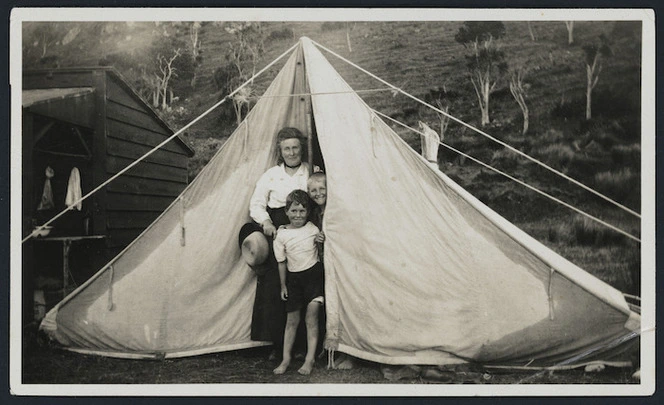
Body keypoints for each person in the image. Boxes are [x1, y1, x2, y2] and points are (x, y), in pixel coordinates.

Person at [245, 127, 311, 358]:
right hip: (277, 232)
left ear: (301, 148)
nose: (291, 153)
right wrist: (266, 223)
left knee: (302, 284)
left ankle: (302, 346)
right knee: (275, 286)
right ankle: (276, 345)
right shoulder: (271, 175)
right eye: (287, 148)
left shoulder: (310, 172)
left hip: (303, 230)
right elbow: (256, 204)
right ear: (280, 151)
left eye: (295, 147)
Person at [306, 172, 356, 370]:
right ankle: (334, 349)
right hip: (327, 264)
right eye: (313, 191)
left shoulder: (335, 210)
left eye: (321, 189)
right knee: (331, 307)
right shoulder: (317, 213)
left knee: (344, 306)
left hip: (342, 264)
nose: (318, 194)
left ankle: (350, 353)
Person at [272, 190, 324, 375]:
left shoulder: (312, 229)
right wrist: (284, 285)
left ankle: (309, 359)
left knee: (311, 319)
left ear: (308, 212)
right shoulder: (282, 235)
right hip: (294, 280)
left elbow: (321, 252)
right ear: (286, 211)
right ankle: (286, 358)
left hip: (313, 278)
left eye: (302, 211)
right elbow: (281, 262)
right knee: (291, 321)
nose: (298, 215)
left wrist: (320, 241)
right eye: (293, 211)